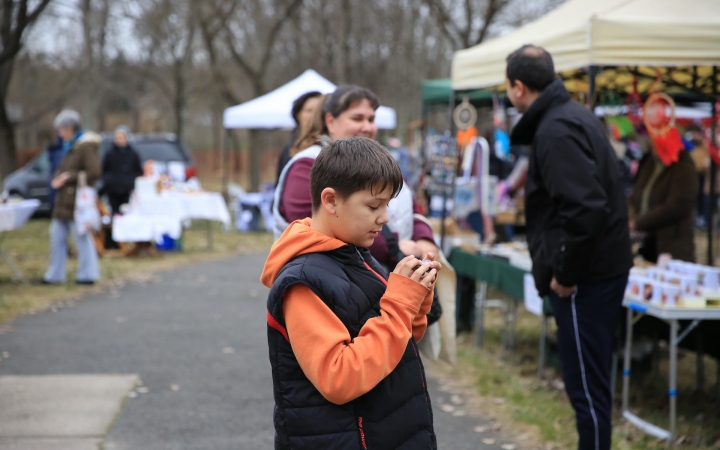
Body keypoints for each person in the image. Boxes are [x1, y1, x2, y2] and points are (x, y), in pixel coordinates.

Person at [261, 136, 440, 449]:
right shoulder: (302, 282)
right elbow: (340, 378)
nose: (384, 218)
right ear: (330, 201)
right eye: (373, 206)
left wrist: (416, 298)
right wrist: (399, 305)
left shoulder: (354, 253)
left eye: (387, 205)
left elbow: (400, 341)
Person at [505, 45, 632, 450]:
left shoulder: (556, 128)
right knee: (590, 385)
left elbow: (585, 208)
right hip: (597, 270)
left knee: (587, 390)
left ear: (518, 87)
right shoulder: (571, 116)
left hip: (586, 279)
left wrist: (565, 274)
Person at [273, 85, 438, 266]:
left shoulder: (379, 161)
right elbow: (317, 224)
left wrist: (425, 242)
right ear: (330, 121)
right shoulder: (306, 165)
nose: (367, 127)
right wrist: (393, 249)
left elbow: (409, 208)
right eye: (357, 118)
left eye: (371, 119)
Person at [43, 109, 102, 285]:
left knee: (82, 238)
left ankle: (88, 274)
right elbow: (64, 169)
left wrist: (68, 177)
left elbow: (94, 172)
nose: (59, 133)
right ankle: (54, 275)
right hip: (64, 200)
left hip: (77, 203)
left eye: (60, 129)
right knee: (57, 238)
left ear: (70, 128)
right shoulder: (70, 146)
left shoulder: (85, 147)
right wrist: (58, 178)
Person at [628, 138, 698, 262]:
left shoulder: (683, 166)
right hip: (646, 241)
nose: (652, 146)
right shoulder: (651, 162)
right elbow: (637, 194)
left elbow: (678, 205)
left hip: (672, 242)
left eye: (657, 144)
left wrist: (639, 222)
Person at [274, 91, 322, 185]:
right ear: (298, 115)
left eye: (318, 111)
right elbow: (280, 184)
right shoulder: (289, 150)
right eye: (309, 110)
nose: (314, 116)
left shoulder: (329, 145)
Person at [101, 125, 143, 215]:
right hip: (113, 190)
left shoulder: (133, 154)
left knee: (127, 214)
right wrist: (109, 181)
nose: (119, 140)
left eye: (121, 137)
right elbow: (104, 170)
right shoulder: (110, 153)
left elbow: (138, 171)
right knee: (115, 215)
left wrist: (131, 181)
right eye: (117, 138)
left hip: (128, 190)